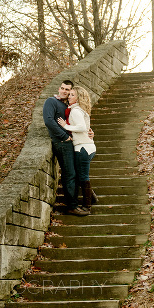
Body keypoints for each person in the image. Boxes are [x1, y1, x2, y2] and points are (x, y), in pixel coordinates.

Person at [43, 80, 86, 216]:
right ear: (59, 88)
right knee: (69, 174)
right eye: (62, 88)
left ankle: (83, 200)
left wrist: (89, 132)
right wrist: (63, 136)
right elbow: (49, 120)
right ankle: (71, 206)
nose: (64, 91)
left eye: (67, 90)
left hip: (71, 142)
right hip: (61, 143)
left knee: (75, 172)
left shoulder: (68, 105)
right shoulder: (51, 102)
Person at [58, 86, 96, 216]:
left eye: (72, 95)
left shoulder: (76, 111)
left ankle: (87, 206)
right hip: (87, 145)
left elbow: (81, 127)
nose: (69, 97)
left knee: (83, 177)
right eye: (69, 95)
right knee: (81, 175)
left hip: (83, 147)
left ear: (78, 97)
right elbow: (86, 128)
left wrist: (65, 126)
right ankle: (93, 198)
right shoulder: (80, 109)